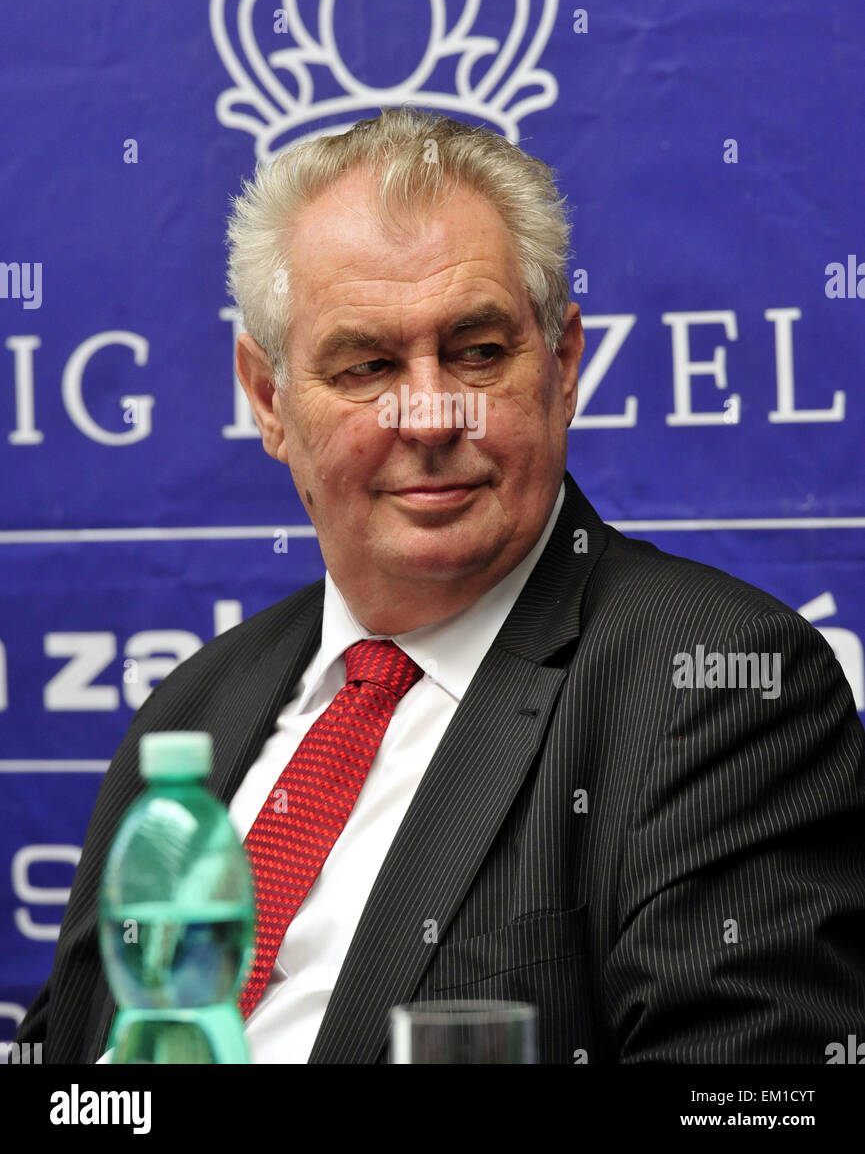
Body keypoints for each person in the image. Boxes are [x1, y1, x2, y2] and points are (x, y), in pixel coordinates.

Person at [16, 107, 865, 1064]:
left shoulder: (715, 687)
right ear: (268, 399)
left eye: (475, 353)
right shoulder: (197, 708)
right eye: (369, 365)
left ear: (562, 362)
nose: (427, 415)